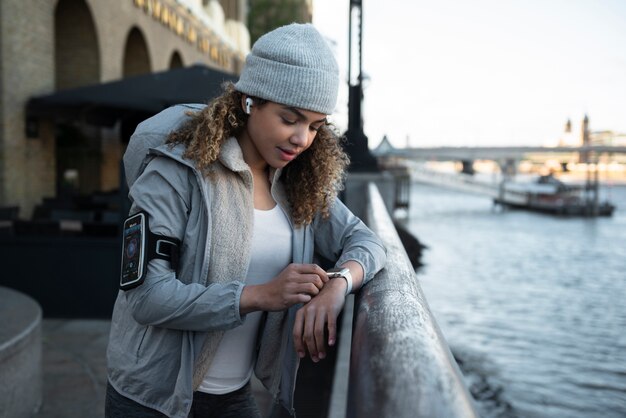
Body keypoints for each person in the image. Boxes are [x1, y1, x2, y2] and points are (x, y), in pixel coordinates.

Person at [105, 23, 386, 418]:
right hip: (151, 397)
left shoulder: (297, 184)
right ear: (249, 101)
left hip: (234, 396)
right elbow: (148, 297)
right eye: (290, 118)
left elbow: (369, 242)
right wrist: (260, 295)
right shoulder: (177, 169)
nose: (302, 139)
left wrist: (339, 283)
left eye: (315, 126)